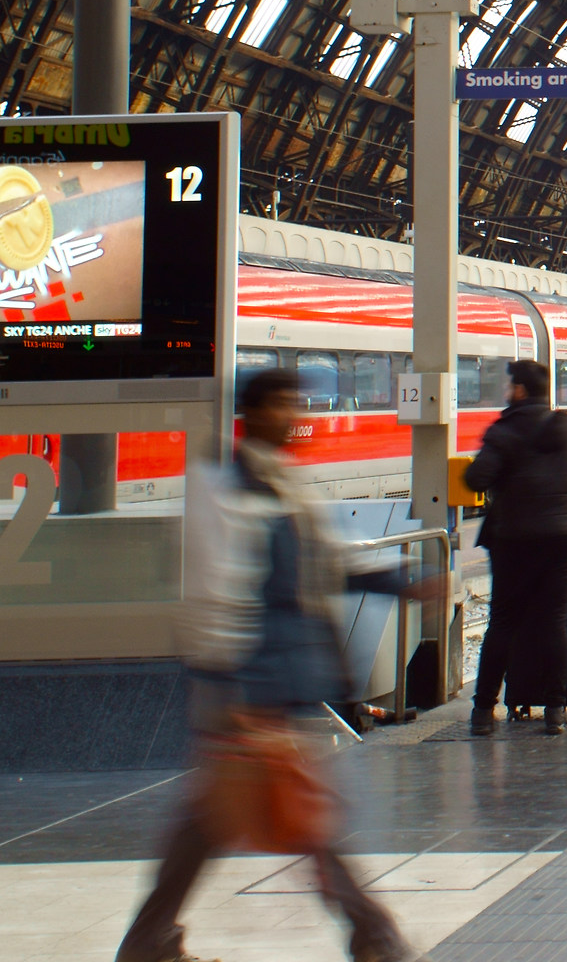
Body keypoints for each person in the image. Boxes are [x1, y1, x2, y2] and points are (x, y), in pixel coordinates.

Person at [119, 368, 443, 962]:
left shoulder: (285, 486)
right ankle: (374, 936)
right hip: (249, 685)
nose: (297, 415)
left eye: (298, 402)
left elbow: (324, 565)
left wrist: (400, 582)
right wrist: (231, 690)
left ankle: (148, 942)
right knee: (300, 817)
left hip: (282, 679)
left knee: (216, 820)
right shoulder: (224, 490)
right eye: (284, 404)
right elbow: (217, 594)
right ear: (253, 413)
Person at [464, 359, 567, 737]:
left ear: (520, 390)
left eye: (510, 386)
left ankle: (482, 711)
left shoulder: (504, 431)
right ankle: (555, 710)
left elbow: (476, 477)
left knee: (504, 622)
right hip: (562, 539)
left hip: (512, 540)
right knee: (554, 620)